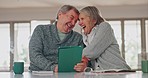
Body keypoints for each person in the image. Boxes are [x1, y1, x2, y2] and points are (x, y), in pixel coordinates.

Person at [74, 6, 131, 72]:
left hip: (118, 70)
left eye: (82, 19)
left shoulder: (104, 27)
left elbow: (92, 51)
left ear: (94, 20)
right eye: (79, 20)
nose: (79, 23)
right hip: (102, 73)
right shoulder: (86, 37)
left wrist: (72, 56)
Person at [29, 5, 84, 72]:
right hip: (39, 73)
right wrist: (53, 67)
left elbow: (83, 59)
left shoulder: (78, 38)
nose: (73, 23)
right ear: (60, 14)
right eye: (71, 18)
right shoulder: (41, 30)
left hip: (66, 74)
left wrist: (83, 65)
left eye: (75, 21)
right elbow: (34, 55)